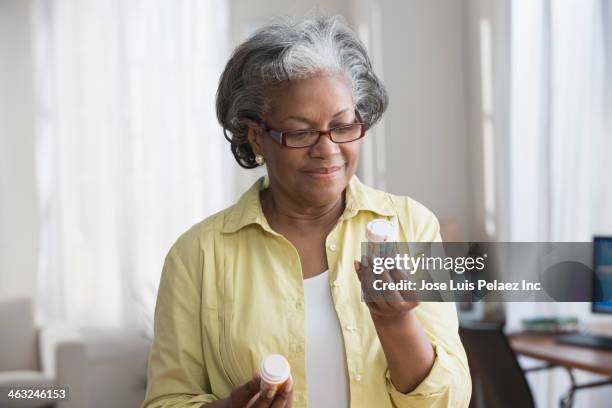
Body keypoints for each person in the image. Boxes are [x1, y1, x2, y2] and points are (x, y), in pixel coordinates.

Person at [142, 14, 471, 408]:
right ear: (256, 137)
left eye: (343, 126)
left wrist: (395, 321)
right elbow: (165, 401)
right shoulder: (198, 255)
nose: (327, 149)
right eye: (299, 132)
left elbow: (450, 400)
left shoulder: (410, 226)